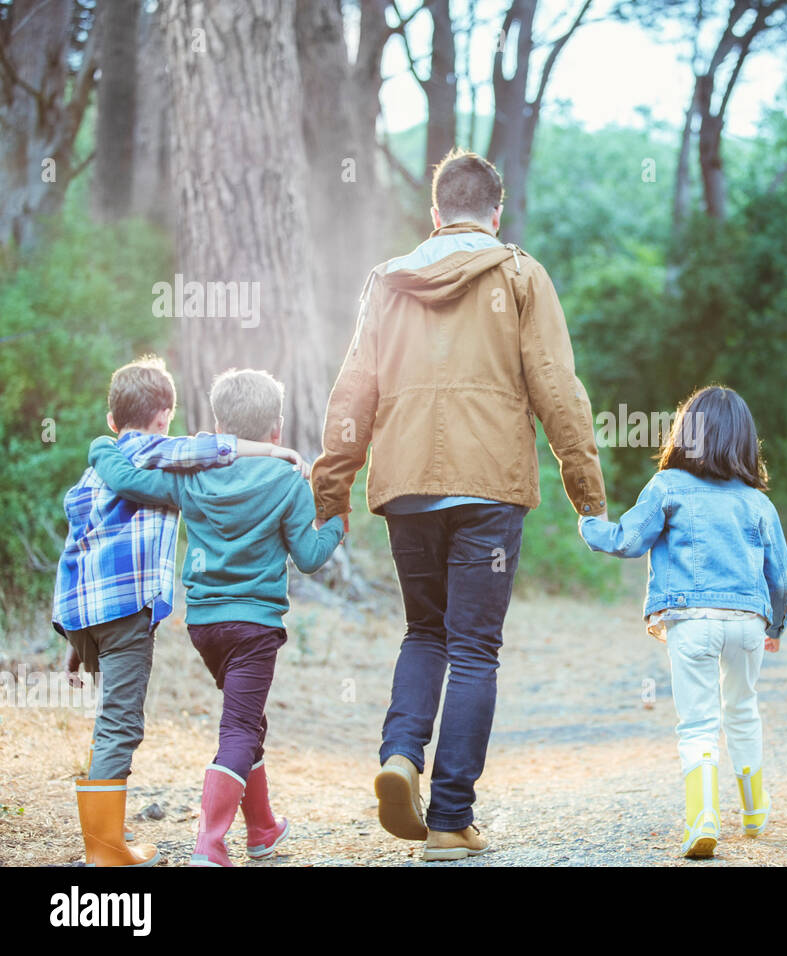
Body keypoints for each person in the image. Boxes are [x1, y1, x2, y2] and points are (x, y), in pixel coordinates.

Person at [311, 148, 606, 861]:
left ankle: (400, 755)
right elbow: (557, 390)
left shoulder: (388, 281)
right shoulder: (520, 273)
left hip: (407, 489)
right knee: (474, 647)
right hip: (489, 491)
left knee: (425, 632)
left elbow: (353, 391)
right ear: (495, 214)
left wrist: (332, 490)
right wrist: (586, 494)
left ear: (436, 214)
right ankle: (448, 820)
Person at [55, 355, 306, 867]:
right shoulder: (172, 455)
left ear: (111, 418)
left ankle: (260, 827)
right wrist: (278, 452)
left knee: (227, 720)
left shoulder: (93, 471)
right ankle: (107, 851)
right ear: (166, 414)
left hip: (86, 608)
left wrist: (74, 635)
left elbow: (79, 544)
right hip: (127, 609)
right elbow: (223, 448)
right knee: (120, 725)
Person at [579, 385, 787, 859]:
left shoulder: (667, 487)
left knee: (698, 721)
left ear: (684, 433)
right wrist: (775, 625)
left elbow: (629, 541)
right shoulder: (759, 502)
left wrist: (590, 524)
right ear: (744, 441)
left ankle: (703, 820)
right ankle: (755, 812)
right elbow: (779, 576)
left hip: (691, 621)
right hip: (746, 623)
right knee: (743, 709)